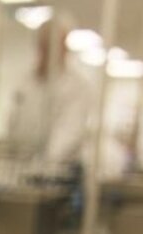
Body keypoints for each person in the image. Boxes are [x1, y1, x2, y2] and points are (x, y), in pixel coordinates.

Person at [7, 13, 97, 168]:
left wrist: (43, 163)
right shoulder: (25, 81)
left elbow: (68, 132)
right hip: (21, 163)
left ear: (65, 49)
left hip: (60, 170)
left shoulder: (78, 87)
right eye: (44, 46)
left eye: (54, 46)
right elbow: (14, 122)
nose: (48, 52)